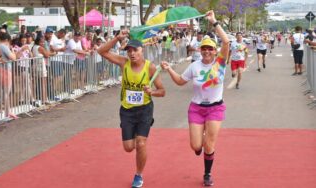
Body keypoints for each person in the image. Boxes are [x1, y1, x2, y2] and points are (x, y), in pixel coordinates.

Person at [161, 10, 229, 187]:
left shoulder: (221, 63)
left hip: (215, 108)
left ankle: (207, 174)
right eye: (204, 48)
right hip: (197, 109)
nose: (207, 51)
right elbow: (180, 82)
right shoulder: (194, 66)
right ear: (200, 49)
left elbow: (227, 41)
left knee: (209, 143)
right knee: (195, 146)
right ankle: (200, 146)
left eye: (210, 48)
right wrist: (169, 69)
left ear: (215, 51)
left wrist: (214, 21)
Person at [97, 30, 165, 188]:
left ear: (142, 50)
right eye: (129, 50)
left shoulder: (150, 68)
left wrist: (152, 92)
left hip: (144, 110)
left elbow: (162, 91)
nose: (132, 53)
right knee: (128, 148)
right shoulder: (123, 63)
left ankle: (138, 175)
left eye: (135, 50)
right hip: (127, 110)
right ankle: (137, 138)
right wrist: (117, 38)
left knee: (141, 144)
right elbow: (101, 51)